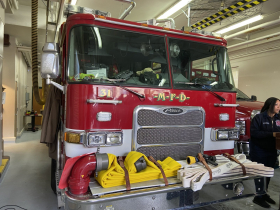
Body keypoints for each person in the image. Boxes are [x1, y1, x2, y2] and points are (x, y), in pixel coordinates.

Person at [250, 97, 280, 208]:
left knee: (268, 173)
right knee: (260, 173)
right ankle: (258, 197)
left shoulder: (278, 118)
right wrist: (271, 134)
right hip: (259, 150)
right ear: (270, 105)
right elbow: (254, 133)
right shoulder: (259, 118)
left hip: (272, 150)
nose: (279, 107)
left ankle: (264, 193)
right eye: (277, 105)